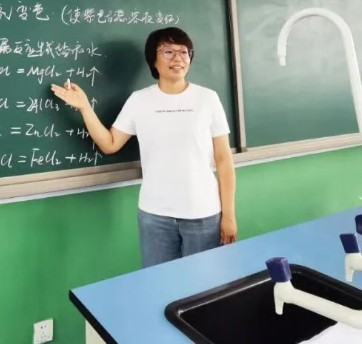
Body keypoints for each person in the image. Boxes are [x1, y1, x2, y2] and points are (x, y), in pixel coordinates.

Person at [50, 27, 237, 268]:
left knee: (205, 286)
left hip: (203, 214)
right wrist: (85, 107)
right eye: (168, 52)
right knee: (159, 285)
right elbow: (110, 143)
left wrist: (229, 215)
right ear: (153, 61)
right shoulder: (140, 100)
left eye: (184, 52)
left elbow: (224, 160)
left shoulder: (207, 99)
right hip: (155, 215)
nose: (178, 58)